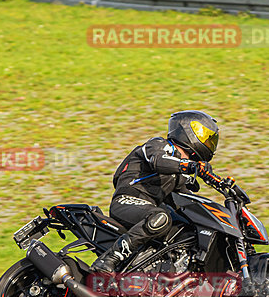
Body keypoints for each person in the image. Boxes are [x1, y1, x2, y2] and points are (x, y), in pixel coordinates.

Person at [91, 110, 221, 274]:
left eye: (212, 139)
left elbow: (187, 201)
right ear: (187, 131)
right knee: (160, 218)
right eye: (206, 136)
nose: (209, 143)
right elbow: (158, 161)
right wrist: (189, 166)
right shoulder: (159, 145)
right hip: (127, 200)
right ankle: (108, 259)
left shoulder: (179, 175)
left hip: (149, 209)